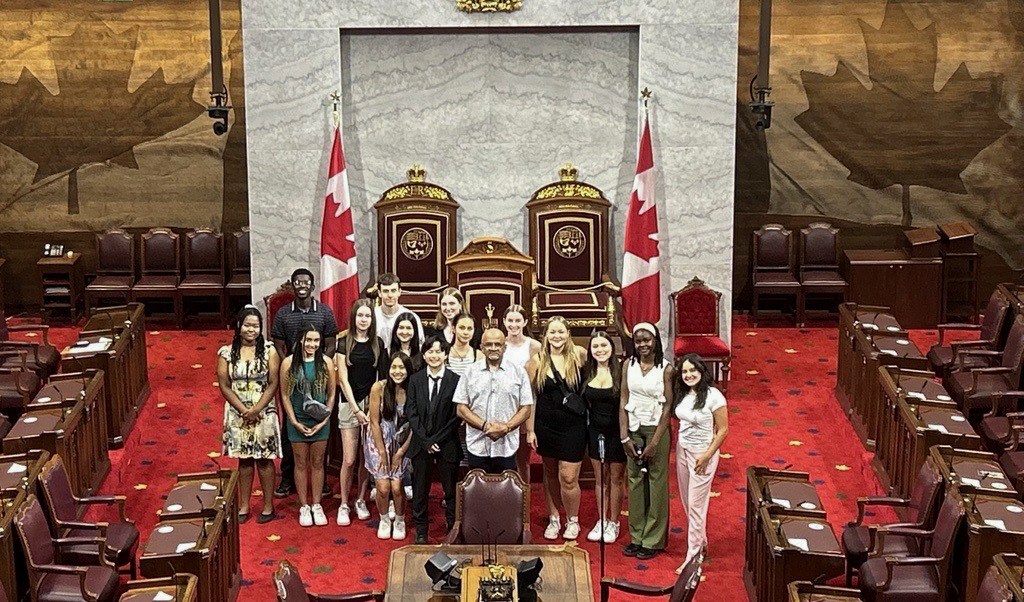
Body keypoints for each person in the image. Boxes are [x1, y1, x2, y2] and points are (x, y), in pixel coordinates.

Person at [271, 268, 339, 499]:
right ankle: (287, 478)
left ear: (312, 285)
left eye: (306, 282)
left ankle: (321, 484)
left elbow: (330, 343)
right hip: (293, 374)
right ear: (292, 285)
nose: (301, 286)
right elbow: (279, 344)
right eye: (297, 282)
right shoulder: (282, 314)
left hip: (318, 373)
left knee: (320, 424)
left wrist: (321, 365)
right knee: (290, 428)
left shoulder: (324, 312)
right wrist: (290, 367)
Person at [216, 306, 282, 525]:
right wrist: (243, 410)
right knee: (244, 461)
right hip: (238, 412)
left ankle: (268, 505)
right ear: (239, 326)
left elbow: (273, 382)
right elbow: (224, 385)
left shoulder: (269, 350)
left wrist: (256, 409)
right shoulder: (226, 352)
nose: (251, 330)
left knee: (264, 460)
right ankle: (244, 505)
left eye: (255, 326)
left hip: (263, 411)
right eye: (247, 325)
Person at [526, 316, 587, 540]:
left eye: (561, 332)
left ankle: (573, 520)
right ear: (546, 335)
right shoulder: (537, 360)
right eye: (552, 332)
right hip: (545, 426)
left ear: (568, 333)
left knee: (569, 477)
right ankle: (554, 517)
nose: (557, 336)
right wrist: (531, 429)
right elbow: (529, 397)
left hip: (574, 427)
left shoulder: (579, 355)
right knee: (550, 473)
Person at [619, 323, 675, 560]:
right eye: (638, 340)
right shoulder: (627, 365)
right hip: (633, 427)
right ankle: (637, 536)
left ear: (656, 341)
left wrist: (655, 442)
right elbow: (623, 398)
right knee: (634, 481)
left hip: (656, 430)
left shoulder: (666, 369)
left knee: (656, 482)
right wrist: (624, 437)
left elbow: (667, 407)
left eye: (647, 340)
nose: (642, 345)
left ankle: (653, 539)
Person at [674, 353, 729, 569]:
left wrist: (706, 455)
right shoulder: (684, 393)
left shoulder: (714, 396)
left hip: (703, 454)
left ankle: (692, 559)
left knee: (696, 506)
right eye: (684, 371)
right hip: (682, 449)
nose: (688, 375)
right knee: (688, 502)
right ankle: (701, 542)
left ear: (701, 371)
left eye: (692, 370)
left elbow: (723, 430)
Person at [405, 335, 462, 543]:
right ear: (424, 354)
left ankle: (452, 528)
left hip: (447, 443)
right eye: (430, 351)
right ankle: (421, 530)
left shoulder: (455, 380)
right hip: (421, 444)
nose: (434, 355)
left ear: (446, 354)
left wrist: (435, 439)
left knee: (450, 490)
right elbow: (411, 413)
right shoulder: (415, 379)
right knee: (420, 489)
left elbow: (457, 416)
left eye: (439, 351)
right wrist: (426, 441)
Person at [280, 323, 337, 527]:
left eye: (316, 340)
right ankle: (304, 505)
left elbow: (331, 394)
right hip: (297, 421)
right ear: (301, 340)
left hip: (320, 420)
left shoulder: (326, 362)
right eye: (309, 340)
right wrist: (293, 420)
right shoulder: (288, 363)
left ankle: (316, 504)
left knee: (318, 461)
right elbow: (285, 395)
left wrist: (325, 419)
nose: (312, 344)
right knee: (300, 462)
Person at [334, 299, 385, 526]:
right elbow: (342, 380)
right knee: (349, 458)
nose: (363, 320)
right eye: (360, 315)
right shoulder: (343, 342)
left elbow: (380, 379)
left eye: (368, 316)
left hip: (369, 404)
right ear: (353, 317)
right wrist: (356, 410)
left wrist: (372, 408)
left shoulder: (378, 343)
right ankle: (344, 503)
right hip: (349, 404)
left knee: (366, 459)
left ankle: (361, 500)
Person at [453, 328, 533, 473]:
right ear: (482, 348)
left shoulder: (518, 372)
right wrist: (484, 426)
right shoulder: (470, 371)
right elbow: (461, 408)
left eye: (498, 344)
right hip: (477, 443)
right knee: (478, 491)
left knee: (505, 491)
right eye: (489, 345)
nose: (493, 348)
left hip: (506, 445)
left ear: (505, 347)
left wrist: (507, 427)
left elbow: (526, 407)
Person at [582, 331, 625, 543]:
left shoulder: (621, 371)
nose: (600, 350)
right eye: (596, 346)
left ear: (612, 347)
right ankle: (602, 519)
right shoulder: (586, 371)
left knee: (616, 479)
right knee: (600, 479)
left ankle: (614, 522)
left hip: (617, 432)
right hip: (595, 431)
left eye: (604, 345)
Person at [365, 352, 414, 540]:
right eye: (394, 367)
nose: (398, 371)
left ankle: (400, 520)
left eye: (402, 367)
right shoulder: (379, 387)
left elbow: (414, 425)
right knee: (383, 487)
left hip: (403, 442)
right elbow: (374, 422)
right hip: (379, 441)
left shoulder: (413, 389)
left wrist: (401, 453)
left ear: (408, 370)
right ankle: (384, 519)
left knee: (397, 487)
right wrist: (382, 452)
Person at [502, 304, 541, 484]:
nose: (514, 324)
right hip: (504, 405)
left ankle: (523, 499)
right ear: (504, 322)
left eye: (518, 320)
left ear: (525, 322)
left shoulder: (534, 346)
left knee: (523, 460)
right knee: (504, 457)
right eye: (510, 320)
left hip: (526, 404)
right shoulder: (499, 343)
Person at [374, 273, 424, 348]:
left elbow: (420, 345)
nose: (390, 295)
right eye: (385, 291)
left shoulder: (412, 317)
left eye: (393, 290)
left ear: (399, 292)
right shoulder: (372, 316)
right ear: (379, 293)